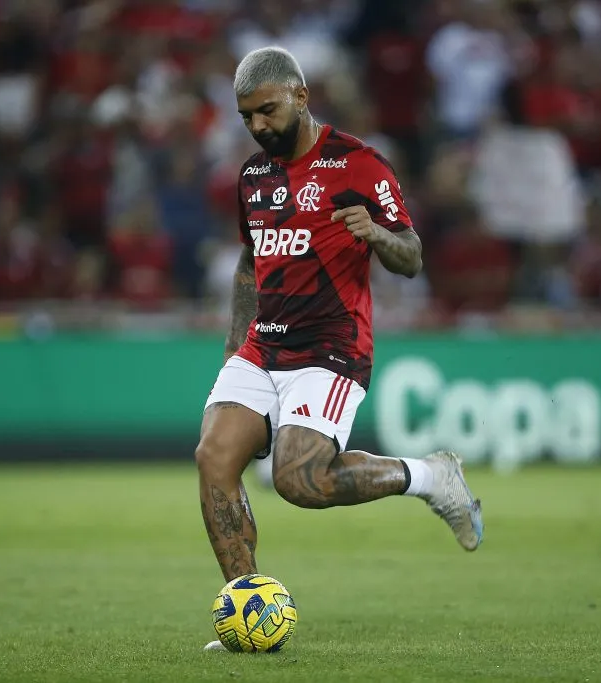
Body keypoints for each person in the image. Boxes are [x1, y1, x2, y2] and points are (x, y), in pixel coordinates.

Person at [198, 47, 483, 651]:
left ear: (301, 96)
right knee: (213, 459)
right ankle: (248, 611)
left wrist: (376, 233)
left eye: (267, 111)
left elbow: (411, 255)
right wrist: (234, 343)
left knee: (299, 481)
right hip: (262, 346)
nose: (258, 126)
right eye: (247, 116)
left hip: (330, 348)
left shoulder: (359, 164)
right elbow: (250, 262)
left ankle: (431, 476)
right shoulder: (253, 177)